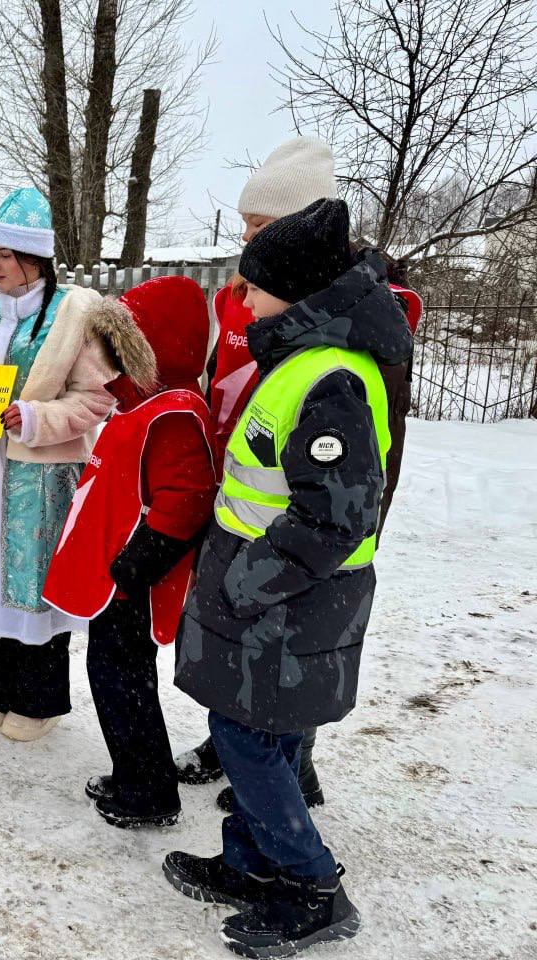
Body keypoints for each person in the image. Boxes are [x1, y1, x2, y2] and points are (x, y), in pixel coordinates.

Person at [165, 199, 414, 957]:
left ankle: (312, 886)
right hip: (279, 595)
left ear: (298, 292)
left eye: (252, 285)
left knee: (246, 737)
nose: (241, 299)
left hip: (287, 598)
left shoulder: (328, 378)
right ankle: (252, 863)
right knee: (269, 730)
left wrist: (248, 582)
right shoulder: (303, 360)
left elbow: (335, 519)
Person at [175, 137, 423, 809]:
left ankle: (290, 767)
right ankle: (238, 745)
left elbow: (372, 427)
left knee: (294, 636)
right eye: (245, 226)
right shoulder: (253, 291)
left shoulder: (356, 302)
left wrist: (355, 512)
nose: (245, 240)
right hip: (251, 483)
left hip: (319, 497)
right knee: (244, 642)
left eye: (259, 228)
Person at [0, 187, 114, 742]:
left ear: (36, 260)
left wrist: (35, 419)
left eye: (7, 256)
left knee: (32, 583)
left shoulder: (72, 315)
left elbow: (96, 398)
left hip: (41, 477)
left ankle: (39, 700)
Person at [43, 276, 217, 828]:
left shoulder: (175, 411)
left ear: (156, 345)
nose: (113, 357)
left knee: (126, 679)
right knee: (111, 675)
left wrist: (140, 563)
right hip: (117, 573)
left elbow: (186, 498)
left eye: (126, 344)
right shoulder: (142, 401)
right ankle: (133, 770)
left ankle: (149, 789)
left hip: (134, 579)